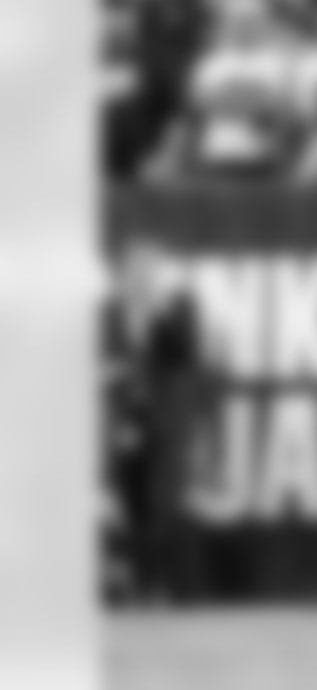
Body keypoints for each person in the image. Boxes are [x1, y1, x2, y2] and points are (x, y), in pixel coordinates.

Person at [103, 236, 211, 604]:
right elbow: (101, 356)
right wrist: (111, 374)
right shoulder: (111, 311)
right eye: (133, 269)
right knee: (132, 505)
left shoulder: (178, 307)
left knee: (165, 505)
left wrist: (158, 310)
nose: (140, 277)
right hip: (127, 421)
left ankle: (167, 586)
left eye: (148, 269)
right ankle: (139, 584)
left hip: (167, 423)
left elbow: (185, 352)